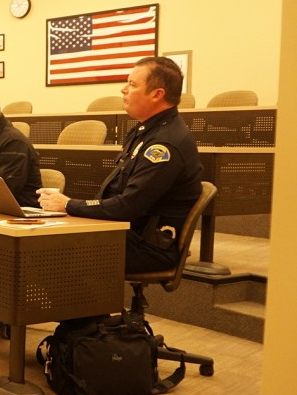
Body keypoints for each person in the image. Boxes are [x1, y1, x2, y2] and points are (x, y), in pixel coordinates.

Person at [39, 57, 202, 274]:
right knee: (41, 237)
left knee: (45, 249)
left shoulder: (165, 144)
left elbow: (128, 206)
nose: (123, 89)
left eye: (133, 85)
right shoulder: (144, 132)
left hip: (147, 246)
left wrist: (69, 205)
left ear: (157, 94)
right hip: (125, 232)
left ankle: (88, 308)